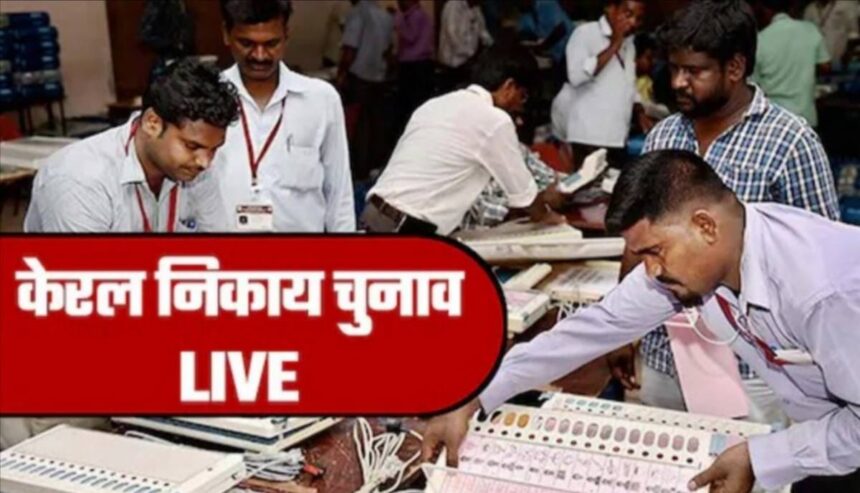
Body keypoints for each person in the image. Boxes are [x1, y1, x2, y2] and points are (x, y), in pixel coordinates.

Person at [423, 149, 860, 493]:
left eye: (654, 251)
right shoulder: (709, 256)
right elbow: (598, 324)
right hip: (828, 437)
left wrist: (761, 457)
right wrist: (478, 393)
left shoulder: (825, 292)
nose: (650, 270)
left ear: (705, 226)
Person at [609, 0, 841, 425]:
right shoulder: (664, 136)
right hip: (665, 353)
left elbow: (820, 264)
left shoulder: (790, 142)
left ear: (734, 67)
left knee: (745, 463)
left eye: (693, 71)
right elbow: (638, 242)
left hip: (752, 367)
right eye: (673, 68)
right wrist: (622, 331)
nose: (677, 82)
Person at [361, 45, 565, 235]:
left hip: (374, 215)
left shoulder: (434, 105)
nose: (520, 107)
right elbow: (525, 198)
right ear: (509, 86)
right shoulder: (494, 120)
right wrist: (548, 218)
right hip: (408, 229)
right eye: (523, 97)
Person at [24, 59, 236, 233]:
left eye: (214, 149)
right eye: (191, 146)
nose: (205, 162)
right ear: (152, 123)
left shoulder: (198, 167)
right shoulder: (80, 180)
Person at [215, 0, 355, 232]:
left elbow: (339, 195)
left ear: (286, 36)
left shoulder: (321, 100)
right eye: (247, 43)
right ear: (226, 34)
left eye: (271, 43)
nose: (260, 55)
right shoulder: (207, 96)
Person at [550, 0, 650, 168]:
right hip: (588, 136)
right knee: (589, 184)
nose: (633, 22)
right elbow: (576, 76)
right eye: (628, 14)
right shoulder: (585, 34)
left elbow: (628, 83)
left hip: (618, 136)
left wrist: (639, 111)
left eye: (638, 18)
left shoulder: (629, 43)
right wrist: (614, 44)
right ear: (610, 8)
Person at [337, 0, 394, 181]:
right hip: (378, 77)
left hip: (358, 77)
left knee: (356, 128)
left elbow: (350, 49)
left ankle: (356, 172)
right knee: (374, 126)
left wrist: (341, 75)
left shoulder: (358, 13)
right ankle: (372, 170)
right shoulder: (386, 16)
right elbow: (388, 50)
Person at [753, 0, 831, 127]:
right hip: (805, 118)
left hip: (774, 121)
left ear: (765, 11)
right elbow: (825, 66)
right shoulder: (810, 30)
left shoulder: (760, 40)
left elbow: (753, 86)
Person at [394, 0, 435, 133]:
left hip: (414, 66)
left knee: (409, 105)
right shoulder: (420, 15)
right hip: (419, 65)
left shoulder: (416, 15)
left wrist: (397, 19)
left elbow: (410, 36)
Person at [438, 0, 493, 93]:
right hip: (452, 63)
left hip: (468, 62)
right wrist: (470, 53)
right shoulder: (453, 6)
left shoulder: (476, 9)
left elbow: (482, 31)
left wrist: (492, 45)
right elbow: (452, 35)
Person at [516, 0, 574, 67]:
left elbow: (561, 29)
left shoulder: (546, 3)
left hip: (570, 49)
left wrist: (543, 46)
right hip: (557, 57)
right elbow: (523, 34)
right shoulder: (525, 16)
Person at [803, 0, 859, 66]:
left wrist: (849, 52)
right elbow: (806, 33)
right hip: (818, 57)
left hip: (840, 57)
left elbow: (854, 32)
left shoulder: (846, 5)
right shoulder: (810, 8)